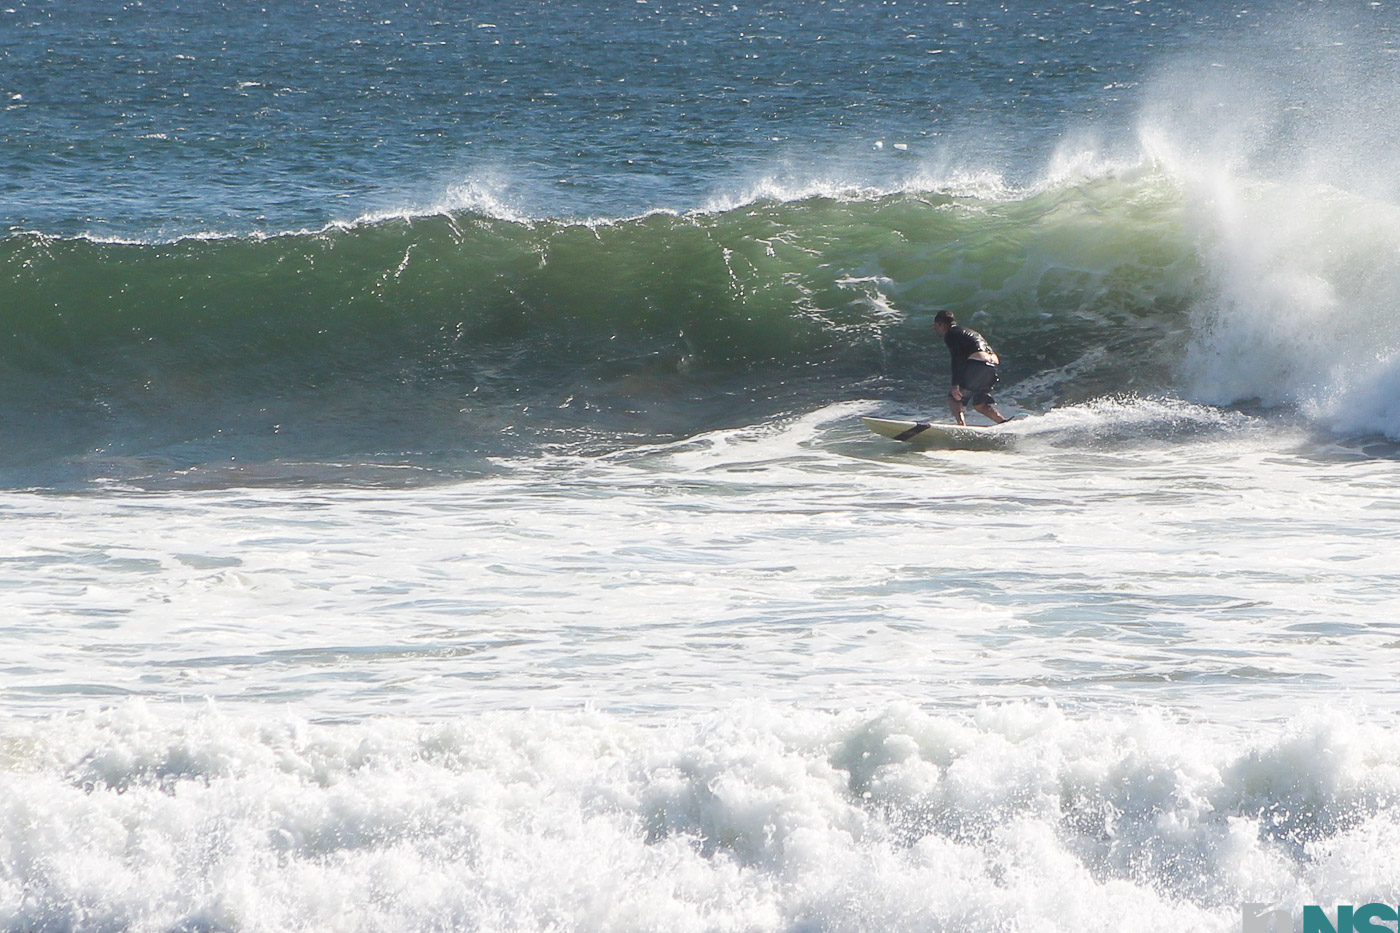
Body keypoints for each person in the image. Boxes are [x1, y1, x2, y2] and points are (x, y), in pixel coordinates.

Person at [932, 310, 1009, 425]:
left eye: (935, 326)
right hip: (992, 365)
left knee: (954, 398)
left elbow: (956, 358)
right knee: (980, 404)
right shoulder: (967, 331)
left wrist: (955, 386)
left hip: (978, 364)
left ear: (941, 324)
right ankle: (1003, 423)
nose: (935, 329)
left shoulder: (951, 334)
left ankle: (961, 425)